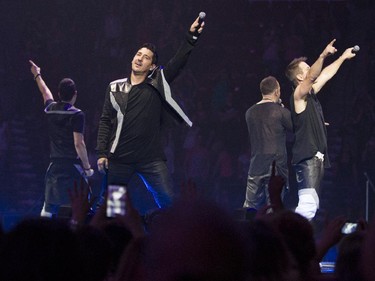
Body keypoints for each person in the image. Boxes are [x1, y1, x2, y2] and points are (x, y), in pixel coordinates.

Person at [96, 16, 205, 208]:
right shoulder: (115, 87)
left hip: (150, 159)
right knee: (114, 209)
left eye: (146, 57)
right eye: (138, 54)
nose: (140, 58)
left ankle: (171, 237)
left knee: (168, 203)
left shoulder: (157, 84)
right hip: (120, 160)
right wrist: (102, 153)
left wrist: (191, 38)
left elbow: (178, 62)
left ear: (152, 66)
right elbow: (106, 121)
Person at [285, 39, 356, 220]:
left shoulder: (311, 95)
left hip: (315, 158)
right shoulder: (298, 95)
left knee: (312, 206)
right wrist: (323, 55)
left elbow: (324, 75)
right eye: (307, 69)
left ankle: (293, 237)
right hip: (307, 157)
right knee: (308, 207)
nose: (311, 71)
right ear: (300, 77)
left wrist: (342, 57)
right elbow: (313, 77)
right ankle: (287, 237)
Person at [29, 60, 94, 218]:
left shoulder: (51, 109)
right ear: (75, 94)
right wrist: (87, 168)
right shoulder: (77, 114)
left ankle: (40, 237)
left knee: (49, 207)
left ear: (59, 94)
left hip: (55, 167)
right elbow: (79, 143)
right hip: (72, 167)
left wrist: (37, 74)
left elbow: (45, 92)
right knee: (82, 205)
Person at [243, 76, 292, 211]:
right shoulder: (280, 111)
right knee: (274, 206)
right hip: (275, 165)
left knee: (249, 207)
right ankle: (272, 231)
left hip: (256, 165)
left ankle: (244, 230)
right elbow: (296, 127)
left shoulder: (249, 112)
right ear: (277, 91)